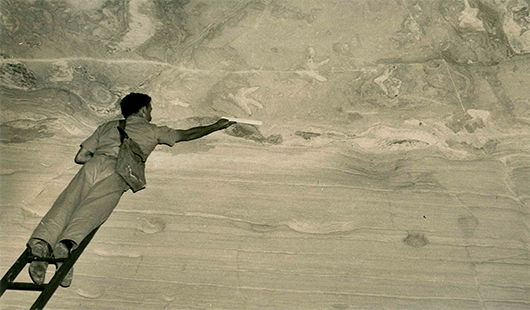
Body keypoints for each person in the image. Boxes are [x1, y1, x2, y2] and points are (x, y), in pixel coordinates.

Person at [27, 92, 235, 287]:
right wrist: (216, 126)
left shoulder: (107, 126)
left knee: (67, 202)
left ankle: (41, 245)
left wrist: (101, 160)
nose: (151, 113)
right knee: (93, 210)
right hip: (119, 170)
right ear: (143, 110)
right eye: (150, 109)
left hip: (93, 164)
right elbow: (187, 134)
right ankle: (65, 248)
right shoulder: (152, 130)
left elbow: (80, 157)